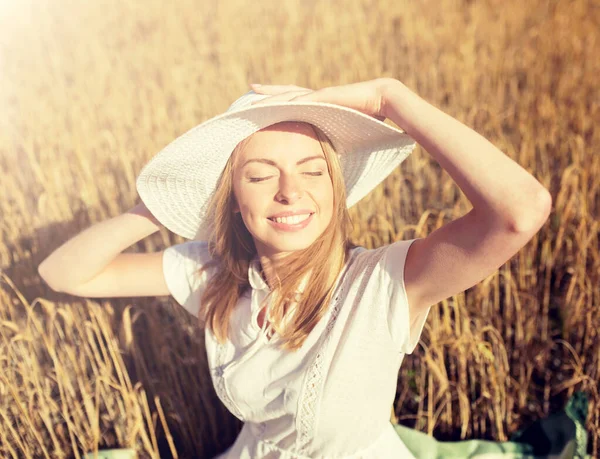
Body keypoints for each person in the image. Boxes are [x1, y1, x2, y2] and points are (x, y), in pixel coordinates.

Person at [38, 79, 588, 458]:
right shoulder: (214, 273)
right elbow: (66, 275)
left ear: (335, 188)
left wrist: (388, 96)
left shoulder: (385, 284)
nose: (290, 192)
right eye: (259, 175)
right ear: (230, 198)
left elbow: (521, 211)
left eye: (311, 170)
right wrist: (158, 206)